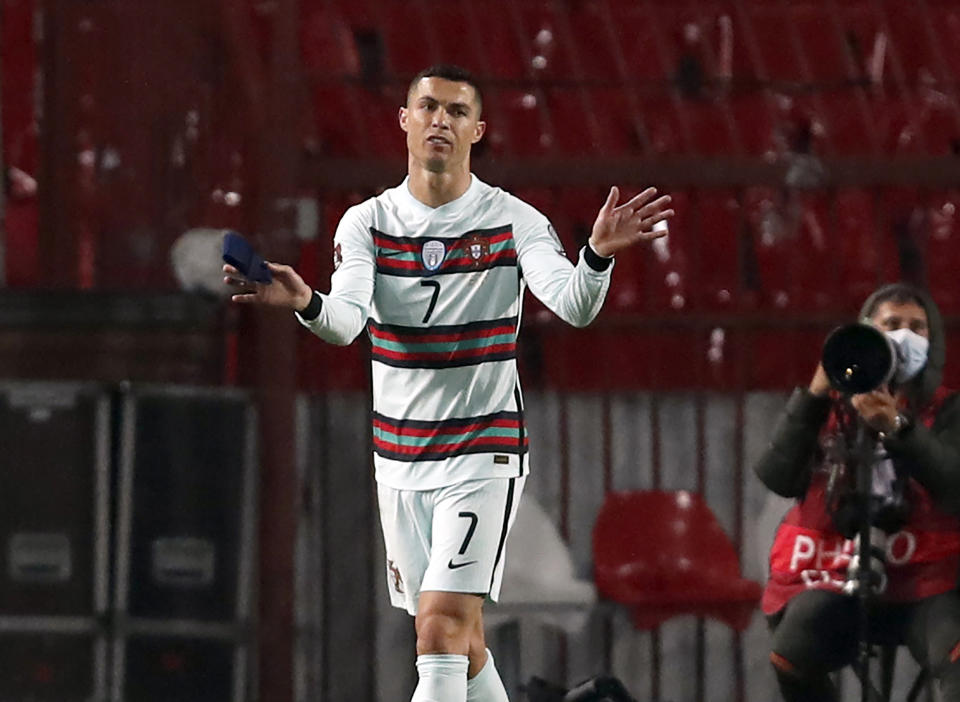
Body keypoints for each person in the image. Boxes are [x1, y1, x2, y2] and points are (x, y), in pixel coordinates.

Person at [224, 64, 673, 702]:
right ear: (405, 120)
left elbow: (573, 305)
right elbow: (346, 322)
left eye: (457, 111)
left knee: (437, 629)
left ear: (477, 130)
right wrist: (307, 303)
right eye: (428, 107)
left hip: (482, 452)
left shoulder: (513, 219)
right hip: (400, 460)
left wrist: (596, 256)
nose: (441, 120)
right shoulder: (366, 224)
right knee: (463, 645)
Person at [755, 282, 960, 701]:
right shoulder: (829, 405)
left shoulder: (950, 408)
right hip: (836, 577)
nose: (904, 336)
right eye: (891, 324)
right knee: (790, 654)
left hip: (927, 584)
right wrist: (814, 395)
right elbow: (778, 476)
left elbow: (954, 485)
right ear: (866, 332)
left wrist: (899, 429)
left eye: (917, 327)